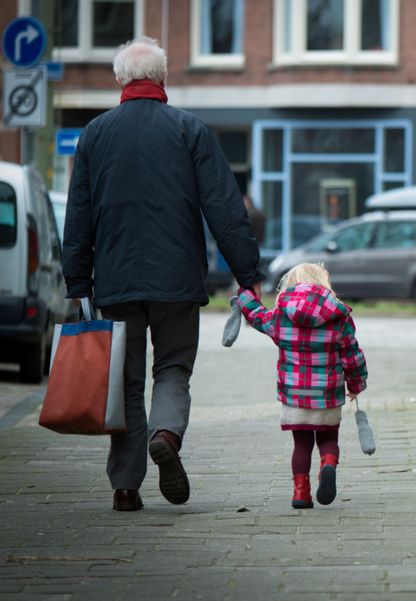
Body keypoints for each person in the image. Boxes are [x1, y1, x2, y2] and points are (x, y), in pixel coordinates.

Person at [61, 37, 263, 512]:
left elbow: (79, 215)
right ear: (163, 78)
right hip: (177, 281)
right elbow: (225, 208)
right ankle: (167, 435)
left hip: (116, 280)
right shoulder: (190, 130)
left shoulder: (94, 134)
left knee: (126, 381)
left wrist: (77, 282)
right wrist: (247, 275)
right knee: (172, 368)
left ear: (119, 80)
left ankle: (126, 487)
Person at [236, 263, 367, 508]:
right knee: (328, 439)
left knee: (301, 444)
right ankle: (328, 463)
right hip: (327, 393)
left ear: (291, 284)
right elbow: (352, 354)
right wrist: (356, 383)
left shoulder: (280, 315)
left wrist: (245, 294)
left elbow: (255, 315)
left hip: (295, 394)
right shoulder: (339, 317)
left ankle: (300, 492)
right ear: (323, 282)